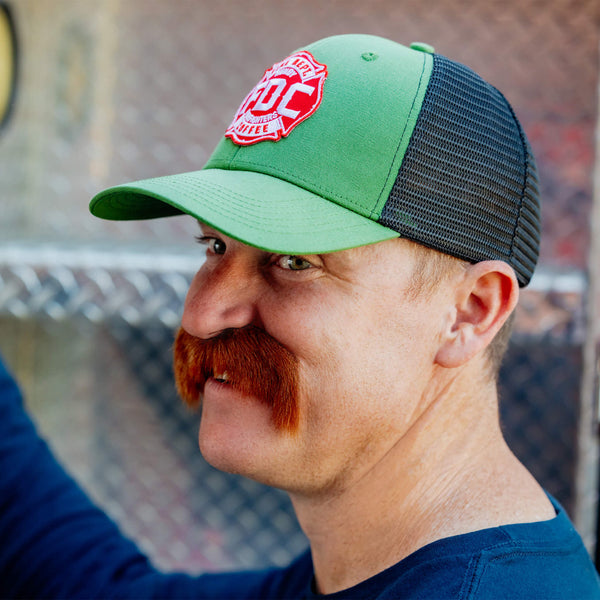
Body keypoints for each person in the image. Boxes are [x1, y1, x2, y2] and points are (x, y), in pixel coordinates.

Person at [1, 33, 599, 598]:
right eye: (215, 247)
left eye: (294, 261)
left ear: (470, 312)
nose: (203, 314)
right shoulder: (372, 567)